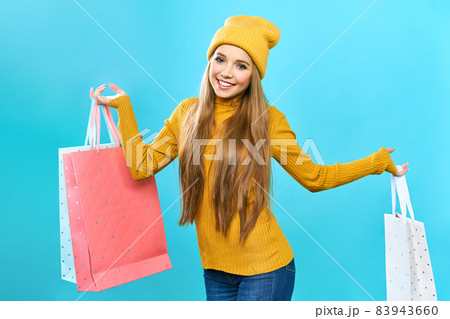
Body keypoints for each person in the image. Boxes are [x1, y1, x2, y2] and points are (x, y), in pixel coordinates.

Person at [91, 15, 409, 301]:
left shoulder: (269, 120)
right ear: (210, 62)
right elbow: (141, 167)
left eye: (241, 66)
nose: (226, 73)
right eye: (221, 59)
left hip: (267, 271)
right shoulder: (187, 113)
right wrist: (124, 109)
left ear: (254, 75)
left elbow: (316, 178)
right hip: (215, 270)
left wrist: (376, 162)